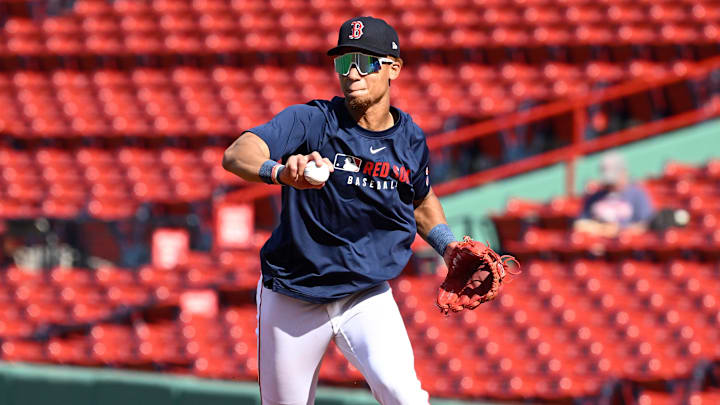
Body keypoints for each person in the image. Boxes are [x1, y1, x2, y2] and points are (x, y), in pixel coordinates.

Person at [222, 16, 462, 405]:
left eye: (366, 62)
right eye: (343, 62)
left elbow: (419, 199)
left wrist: (448, 245)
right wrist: (281, 172)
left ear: (394, 69)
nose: (352, 73)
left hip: (364, 295)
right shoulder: (313, 120)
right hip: (295, 293)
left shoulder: (411, 138)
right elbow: (238, 154)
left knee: (406, 397)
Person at [574, 152, 654, 238]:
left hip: (626, 248)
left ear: (623, 172)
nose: (611, 184)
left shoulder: (637, 194)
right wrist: (602, 229)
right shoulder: (595, 196)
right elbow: (579, 225)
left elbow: (646, 225)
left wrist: (619, 230)